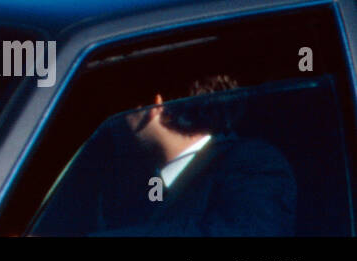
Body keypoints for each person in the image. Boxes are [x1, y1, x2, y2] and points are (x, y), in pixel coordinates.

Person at [104, 75, 296, 236]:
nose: (119, 119)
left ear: (156, 105)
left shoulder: (251, 164)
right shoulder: (138, 186)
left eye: (122, 103)